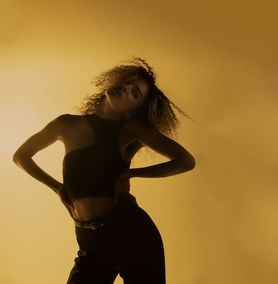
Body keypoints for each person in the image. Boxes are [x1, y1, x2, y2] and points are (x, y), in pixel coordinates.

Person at [13, 57, 195, 284]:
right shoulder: (66, 124)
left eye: (135, 93)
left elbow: (185, 161)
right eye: (126, 81)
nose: (127, 88)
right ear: (113, 79)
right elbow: (21, 156)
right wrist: (57, 188)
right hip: (88, 240)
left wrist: (133, 173)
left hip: (131, 236)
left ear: (136, 107)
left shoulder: (130, 129)